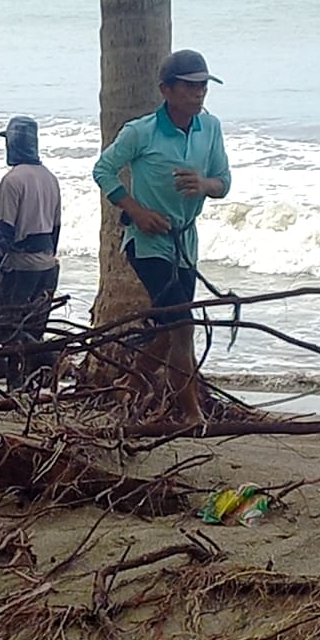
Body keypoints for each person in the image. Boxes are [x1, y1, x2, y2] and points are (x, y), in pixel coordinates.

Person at [91, 48, 232, 422]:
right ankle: (191, 414)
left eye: (203, 86)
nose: (199, 93)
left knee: (170, 328)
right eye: (190, 86)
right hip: (147, 243)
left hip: (186, 241)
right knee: (182, 325)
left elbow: (224, 184)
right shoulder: (141, 131)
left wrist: (203, 183)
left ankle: (131, 387)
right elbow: (103, 170)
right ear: (166, 90)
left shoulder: (211, 127)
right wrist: (137, 211)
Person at [0, 117, 62, 387]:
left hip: (20, 266)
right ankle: (32, 383)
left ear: (14, 145)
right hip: (47, 264)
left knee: (7, 329)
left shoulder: (12, 181)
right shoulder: (50, 179)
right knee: (34, 329)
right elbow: (55, 229)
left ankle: (17, 386)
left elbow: (4, 232)